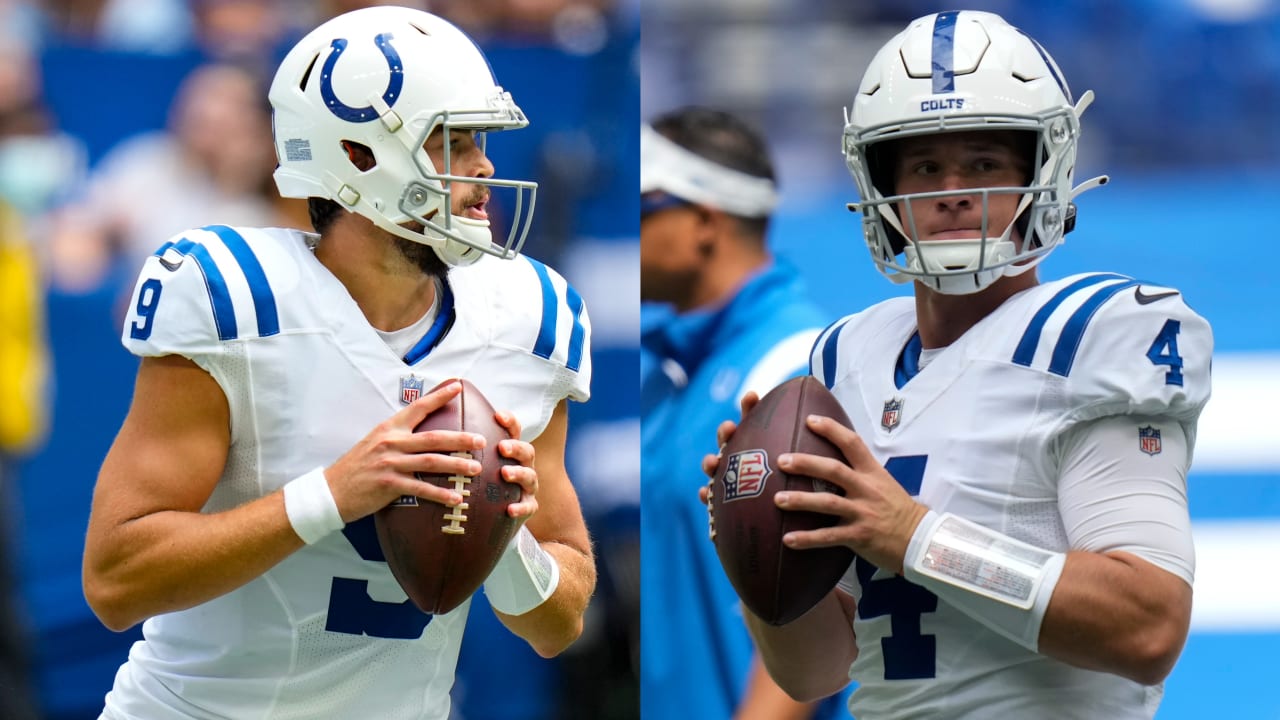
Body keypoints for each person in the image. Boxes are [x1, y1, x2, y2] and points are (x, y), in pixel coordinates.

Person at [81, 7, 596, 719]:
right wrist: (335, 494)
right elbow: (116, 579)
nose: (485, 169)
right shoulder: (238, 299)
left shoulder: (528, 318)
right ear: (358, 156)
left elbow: (558, 624)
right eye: (454, 141)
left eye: (484, 140)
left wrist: (502, 538)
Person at [702, 10, 1210, 719]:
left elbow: (1147, 623)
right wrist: (755, 545)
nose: (951, 190)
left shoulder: (1093, 334)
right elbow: (816, 673)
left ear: (1044, 169)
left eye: (983, 164)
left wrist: (910, 534)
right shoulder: (844, 357)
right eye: (923, 165)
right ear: (880, 186)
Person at [640, 106, 847, 720]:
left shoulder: (797, 369)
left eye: (642, 209)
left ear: (704, 220)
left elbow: (817, 602)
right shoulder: (667, 364)